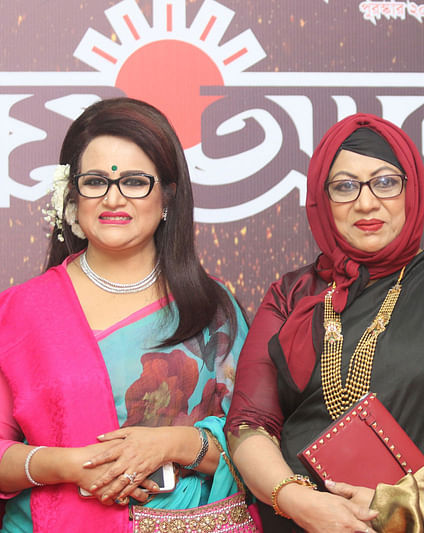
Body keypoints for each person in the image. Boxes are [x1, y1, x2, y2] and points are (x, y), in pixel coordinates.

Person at [225, 113, 424, 533]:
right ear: (321, 199)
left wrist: (399, 503)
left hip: (421, 522)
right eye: (345, 186)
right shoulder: (292, 295)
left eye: (385, 182)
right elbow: (250, 424)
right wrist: (298, 501)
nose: (366, 203)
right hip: (298, 521)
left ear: (410, 191)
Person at [0, 98, 249, 532]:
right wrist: (73, 464)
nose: (114, 198)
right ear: (71, 195)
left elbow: (259, 440)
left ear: (168, 196)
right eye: (95, 181)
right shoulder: (22, 310)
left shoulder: (211, 309)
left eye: (135, 181)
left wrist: (174, 443)